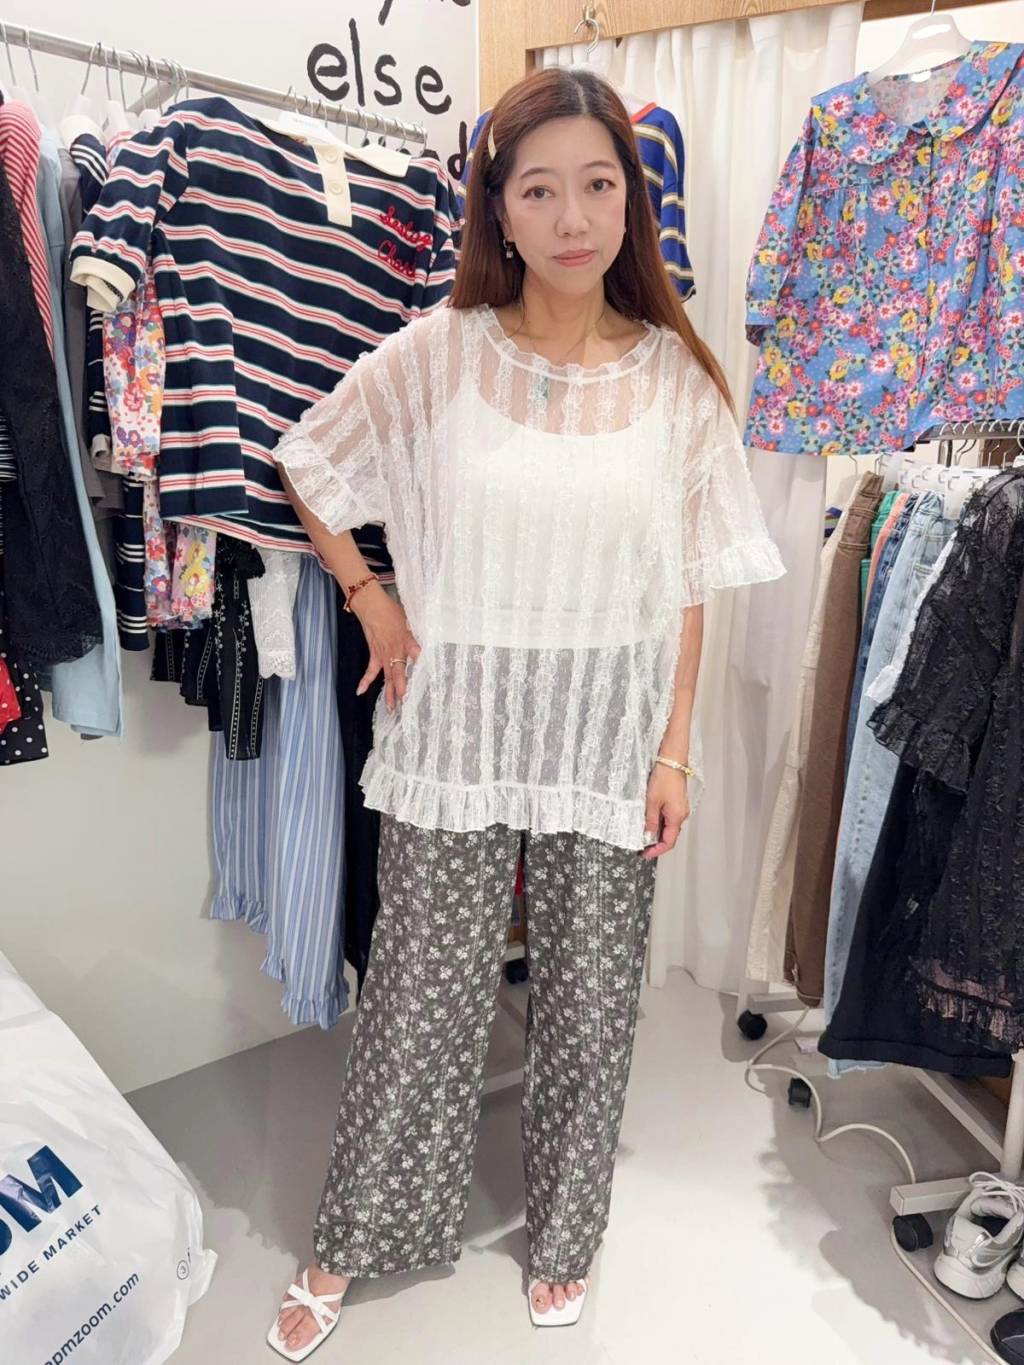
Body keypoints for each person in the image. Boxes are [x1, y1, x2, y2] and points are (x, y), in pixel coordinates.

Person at [267, 66, 784, 1359]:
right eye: (540, 189)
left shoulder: (679, 383)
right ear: (497, 207)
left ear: (632, 203)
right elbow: (310, 461)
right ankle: (356, 1232)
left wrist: (675, 748)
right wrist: (371, 598)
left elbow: (688, 585)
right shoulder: (440, 355)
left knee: (592, 1008)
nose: (572, 217)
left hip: (609, 736)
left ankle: (563, 1236)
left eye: (597, 185)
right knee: (419, 999)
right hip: (458, 730)